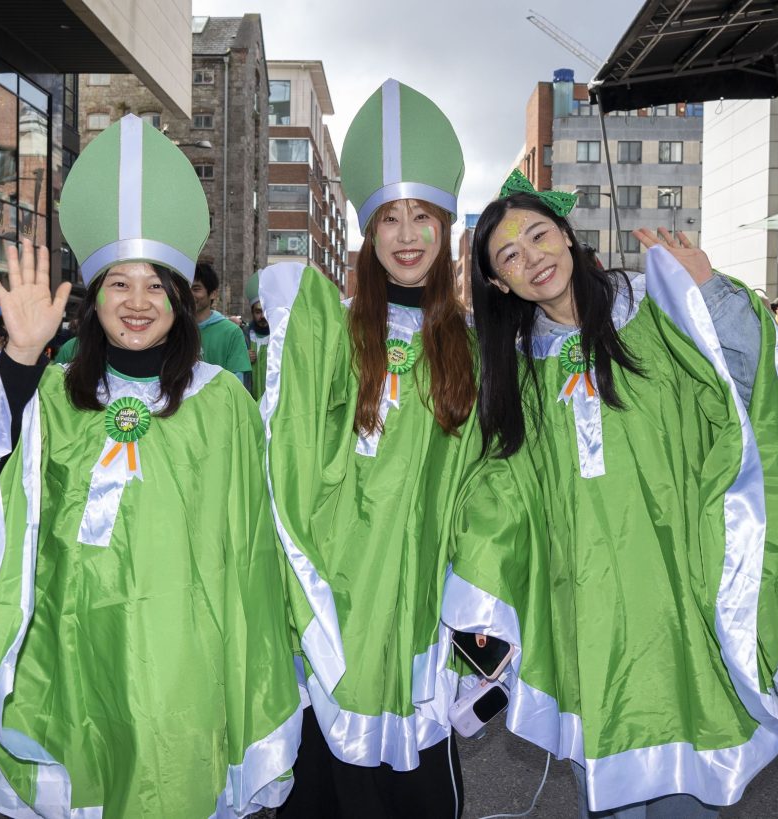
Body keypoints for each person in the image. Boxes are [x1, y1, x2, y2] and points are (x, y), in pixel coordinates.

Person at [0, 115, 300, 818]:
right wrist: (21, 361)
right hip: (74, 646)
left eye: (157, 286)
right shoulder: (55, 393)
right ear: (93, 301)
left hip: (188, 650)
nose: (139, 302)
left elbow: (253, 545)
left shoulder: (222, 405)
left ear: (183, 302)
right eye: (120, 285)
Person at [463, 172, 778, 817]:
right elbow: (501, 490)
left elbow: (754, 387)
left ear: (567, 235)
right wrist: (480, 599)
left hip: (680, 595)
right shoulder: (516, 370)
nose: (533, 257)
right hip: (586, 611)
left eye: (539, 235)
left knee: (685, 779)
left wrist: (711, 293)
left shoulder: (658, 309)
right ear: (500, 283)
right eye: (510, 256)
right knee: (607, 785)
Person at [265, 79, 542, 819]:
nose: (408, 233)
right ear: (368, 230)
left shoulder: (481, 349)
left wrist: (479, 619)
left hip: (426, 615)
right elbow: (287, 460)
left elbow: (497, 484)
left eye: (422, 215)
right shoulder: (330, 335)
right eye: (390, 218)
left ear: (445, 225)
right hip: (333, 619)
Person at [192, 262, 252, 382]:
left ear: (213, 293)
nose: (189, 294)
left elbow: (237, 382)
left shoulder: (231, 332)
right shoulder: (173, 328)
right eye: (185, 288)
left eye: (196, 289)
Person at [245, 273, 269, 400]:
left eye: (265, 311)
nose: (262, 316)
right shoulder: (243, 336)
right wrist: (242, 357)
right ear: (252, 312)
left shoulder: (280, 337)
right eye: (258, 312)